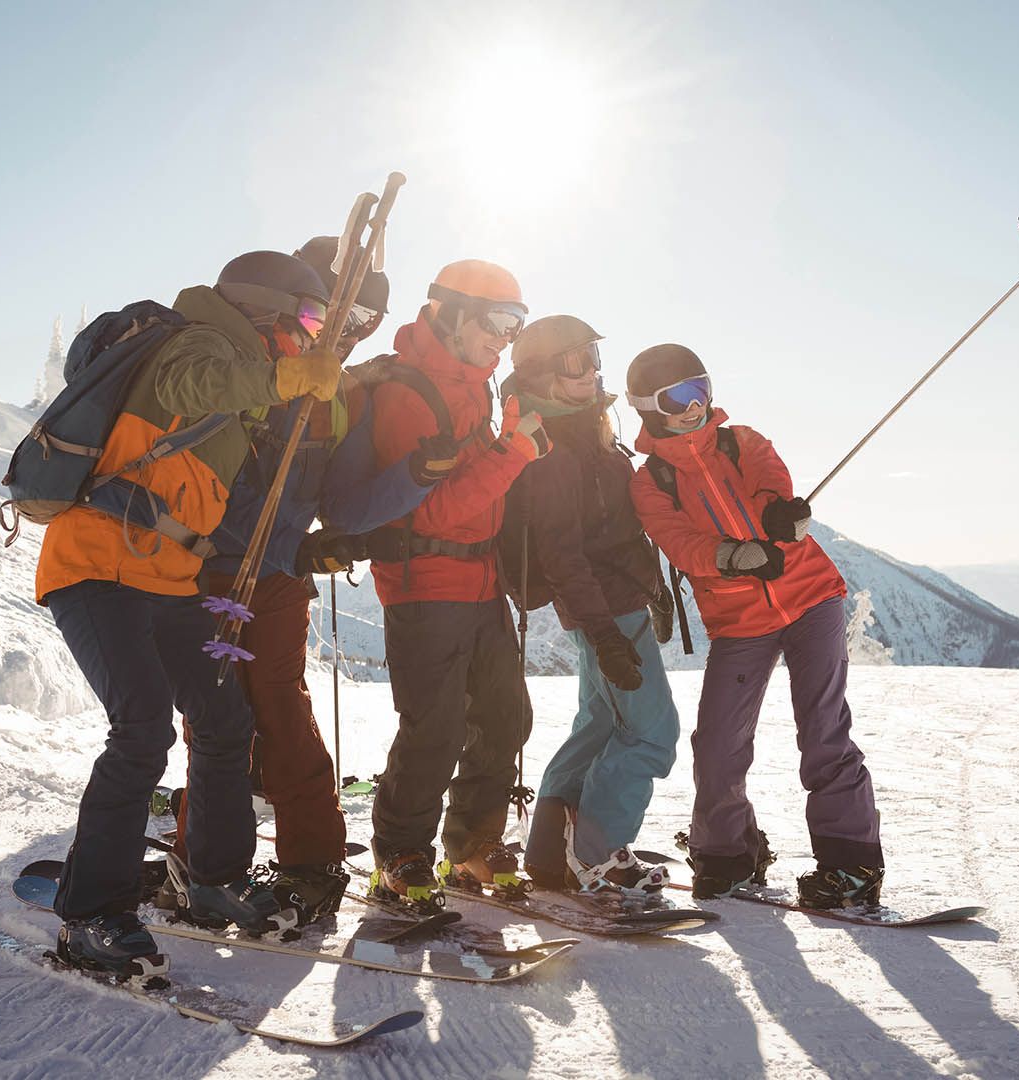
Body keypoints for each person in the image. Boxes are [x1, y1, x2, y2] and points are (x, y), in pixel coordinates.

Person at [35, 250, 344, 975]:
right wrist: (279, 377)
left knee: (224, 719)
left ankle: (213, 879)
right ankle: (90, 916)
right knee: (141, 729)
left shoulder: (249, 377)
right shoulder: (200, 339)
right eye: (307, 318)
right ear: (263, 309)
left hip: (169, 578)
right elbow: (192, 382)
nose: (311, 336)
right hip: (96, 565)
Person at [163, 237, 437, 922]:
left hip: (276, 574)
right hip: (209, 569)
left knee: (278, 707)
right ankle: (206, 854)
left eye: (365, 321)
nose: (349, 331)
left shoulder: (344, 395)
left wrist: (415, 477)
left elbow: (342, 503)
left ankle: (309, 859)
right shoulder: (252, 363)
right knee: (217, 716)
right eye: (337, 316)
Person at [624, 344, 885, 907]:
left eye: (701, 389)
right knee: (718, 743)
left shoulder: (743, 441)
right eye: (678, 397)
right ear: (648, 407)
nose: (695, 406)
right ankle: (727, 854)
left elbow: (771, 482)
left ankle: (851, 861)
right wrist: (731, 557)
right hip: (739, 621)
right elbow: (680, 543)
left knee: (823, 729)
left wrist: (779, 516)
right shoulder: (651, 482)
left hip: (812, 597)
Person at [362, 259, 549, 905]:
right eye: (499, 321)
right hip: (424, 580)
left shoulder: (479, 384)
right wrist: (512, 451)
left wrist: (508, 437)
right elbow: (429, 511)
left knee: (504, 717)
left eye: (516, 325)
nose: (506, 336)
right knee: (435, 728)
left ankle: (471, 849)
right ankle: (400, 856)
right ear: (451, 313)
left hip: (479, 579)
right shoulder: (406, 393)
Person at [499, 316, 681, 894]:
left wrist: (652, 591)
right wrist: (605, 634)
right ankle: (599, 855)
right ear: (541, 373)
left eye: (594, 356)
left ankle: (553, 852)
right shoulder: (552, 451)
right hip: (603, 609)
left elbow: (616, 534)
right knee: (651, 733)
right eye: (576, 360)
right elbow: (564, 555)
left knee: (600, 724)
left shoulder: (586, 432)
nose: (592, 369)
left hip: (613, 603)